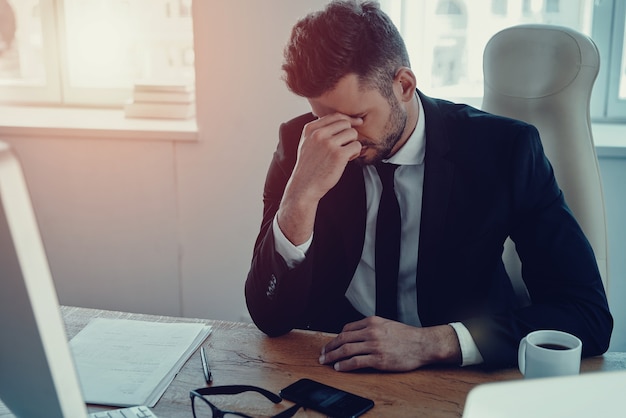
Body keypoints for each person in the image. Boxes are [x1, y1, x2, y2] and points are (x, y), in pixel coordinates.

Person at [245, 0, 613, 372]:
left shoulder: (504, 151)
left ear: (403, 85)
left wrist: (435, 342)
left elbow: (588, 317)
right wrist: (299, 197)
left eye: (357, 117)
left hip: (457, 374)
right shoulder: (302, 145)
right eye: (323, 116)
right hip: (338, 369)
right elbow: (268, 316)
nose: (340, 138)